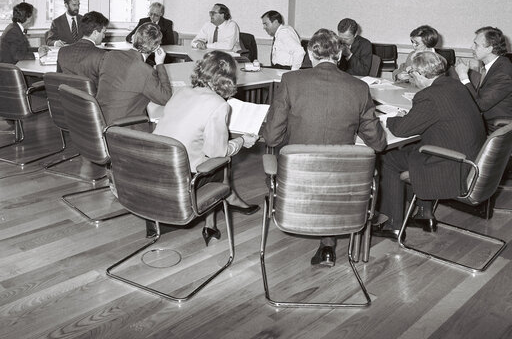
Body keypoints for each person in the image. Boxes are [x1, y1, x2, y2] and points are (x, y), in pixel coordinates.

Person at [263, 28, 387, 267]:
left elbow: (271, 138)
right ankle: (328, 245)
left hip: (297, 179)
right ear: (339, 55)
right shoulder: (359, 88)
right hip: (341, 182)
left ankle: (299, 214)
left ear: (310, 54)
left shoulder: (290, 80)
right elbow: (378, 143)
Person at [374, 51, 486, 240]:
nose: (412, 78)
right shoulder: (455, 85)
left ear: (420, 74)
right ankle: (424, 214)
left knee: (388, 159)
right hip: (470, 160)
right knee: (412, 149)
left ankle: (394, 224)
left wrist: (391, 118)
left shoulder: (429, 96)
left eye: (412, 74)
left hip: (452, 167)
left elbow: (402, 130)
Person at [153, 50, 259, 243]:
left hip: (157, 168)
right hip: (183, 180)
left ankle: (226, 201)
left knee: (208, 153)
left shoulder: (182, 92)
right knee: (218, 164)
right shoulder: (219, 104)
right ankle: (210, 225)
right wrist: (243, 141)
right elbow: (217, 152)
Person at [96, 23, 172, 125]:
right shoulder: (146, 71)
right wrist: (160, 64)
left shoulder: (109, 56)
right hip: (121, 129)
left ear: (133, 38)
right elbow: (166, 98)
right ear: (155, 48)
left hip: (98, 121)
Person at [454, 27, 512, 133]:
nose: (472, 47)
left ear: (489, 49)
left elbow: (481, 105)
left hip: (495, 131)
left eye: (476, 44)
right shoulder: (493, 66)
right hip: (481, 122)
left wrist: (463, 76)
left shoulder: (503, 73)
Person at [57, 11, 109, 91]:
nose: (104, 36)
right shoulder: (102, 55)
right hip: (91, 102)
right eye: (103, 32)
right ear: (95, 33)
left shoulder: (62, 51)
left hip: (66, 100)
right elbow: (106, 85)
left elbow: (59, 80)